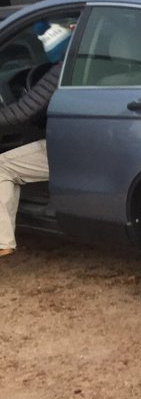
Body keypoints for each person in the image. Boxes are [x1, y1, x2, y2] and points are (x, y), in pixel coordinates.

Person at [0, 60, 62, 258]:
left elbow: (23, 112)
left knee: (2, 168)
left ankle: (3, 242)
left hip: (70, 149)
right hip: (105, 147)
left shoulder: (68, 67)